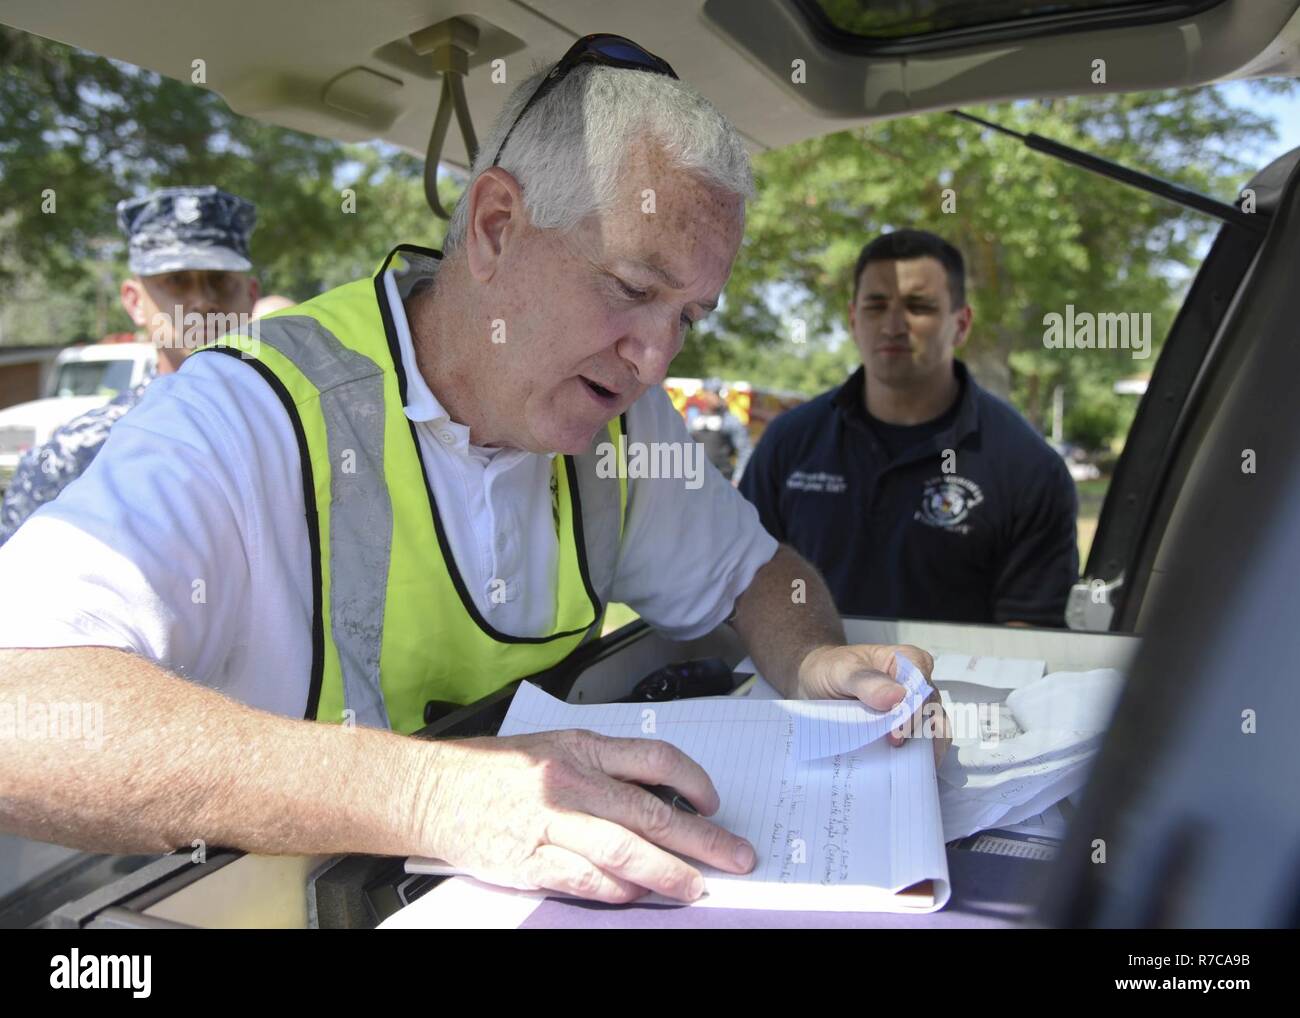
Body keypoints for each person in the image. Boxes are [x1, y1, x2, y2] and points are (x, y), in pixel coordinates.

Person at [0, 35, 947, 906]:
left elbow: (755, 575)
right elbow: (19, 713)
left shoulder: (620, 416)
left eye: (688, 316)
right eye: (631, 288)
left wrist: (811, 656)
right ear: (494, 225)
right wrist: (434, 793)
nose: (655, 359)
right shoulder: (249, 416)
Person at [740, 229, 1078, 626]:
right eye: (876, 306)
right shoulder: (790, 442)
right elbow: (743, 583)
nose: (894, 325)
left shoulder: (1028, 468)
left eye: (919, 306)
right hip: (800, 683)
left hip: (955, 687)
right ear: (853, 319)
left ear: (962, 324)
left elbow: (1029, 633)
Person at [0, 186, 259, 545]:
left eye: (219, 280)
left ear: (251, 296)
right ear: (134, 301)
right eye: (176, 280)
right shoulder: (80, 452)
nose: (201, 301)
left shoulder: (292, 429)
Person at [684, 378, 751, 481]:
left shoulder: (730, 420)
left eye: (717, 393)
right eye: (712, 393)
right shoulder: (695, 419)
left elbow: (745, 450)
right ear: (705, 395)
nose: (715, 397)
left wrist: (737, 478)